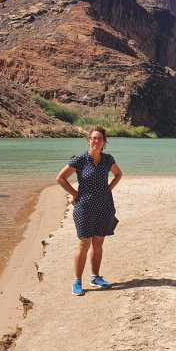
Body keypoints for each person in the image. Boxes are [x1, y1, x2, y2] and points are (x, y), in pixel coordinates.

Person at [56, 127, 122, 296]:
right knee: (84, 243)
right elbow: (60, 178)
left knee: (98, 243)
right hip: (84, 207)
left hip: (104, 206)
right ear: (88, 141)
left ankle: (95, 277)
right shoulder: (80, 160)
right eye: (93, 138)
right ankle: (77, 282)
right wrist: (75, 194)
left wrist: (108, 189)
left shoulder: (108, 160)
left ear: (104, 142)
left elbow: (118, 174)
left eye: (100, 139)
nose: (96, 141)